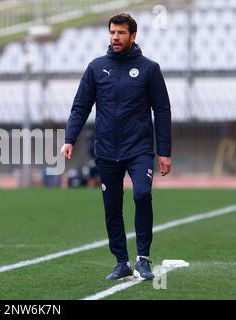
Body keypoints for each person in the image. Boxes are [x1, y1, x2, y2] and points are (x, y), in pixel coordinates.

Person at [60, 13, 172, 281]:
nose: (115, 37)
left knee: (142, 195)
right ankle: (121, 261)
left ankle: (143, 259)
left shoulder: (149, 69)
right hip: (107, 150)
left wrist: (165, 152)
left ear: (133, 36)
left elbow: (163, 110)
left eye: (121, 33)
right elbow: (81, 106)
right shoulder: (96, 68)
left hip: (139, 149)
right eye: (112, 32)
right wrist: (69, 138)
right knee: (112, 207)